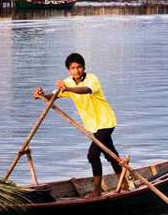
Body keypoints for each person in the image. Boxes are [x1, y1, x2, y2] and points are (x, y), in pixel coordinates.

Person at [33, 53, 123, 197]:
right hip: (93, 125)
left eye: (79, 67)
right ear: (69, 70)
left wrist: (67, 89)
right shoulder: (67, 82)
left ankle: (97, 191)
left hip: (106, 121)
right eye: (73, 68)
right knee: (110, 154)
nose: (76, 70)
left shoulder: (92, 79)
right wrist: (41, 95)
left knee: (93, 155)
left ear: (84, 67)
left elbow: (85, 90)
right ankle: (124, 184)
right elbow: (54, 96)